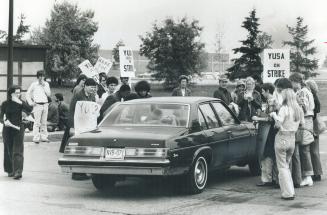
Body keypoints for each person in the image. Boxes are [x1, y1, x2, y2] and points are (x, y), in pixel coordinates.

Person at [59, 78, 97, 180]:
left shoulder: (93, 96)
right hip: (76, 125)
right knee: (76, 149)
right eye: (91, 87)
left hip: (86, 126)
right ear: (85, 86)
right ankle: (76, 173)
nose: (93, 89)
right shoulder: (78, 95)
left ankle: (82, 171)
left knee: (84, 149)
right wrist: (72, 127)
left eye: (94, 87)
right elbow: (71, 111)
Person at [270, 89, 304, 200]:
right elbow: (302, 124)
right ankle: (290, 190)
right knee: (286, 165)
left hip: (282, 137)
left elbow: (278, 124)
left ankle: (288, 192)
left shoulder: (284, 109)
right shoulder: (298, 109)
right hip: (292, 138)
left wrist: (274, 115)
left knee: (282, 167)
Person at [0, 85, 32, 179]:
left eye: (19, 92)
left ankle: (18, 171)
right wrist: (4, 121)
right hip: (7, 129)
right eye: (16, 93)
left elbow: (30, 109)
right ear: (11, 93)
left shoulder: (21, 103)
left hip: (19, 128)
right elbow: (1, 116)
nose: (18, 94)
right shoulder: (5, 103)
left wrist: (20, 103)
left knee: (17, 150)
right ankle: (10, 170)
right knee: (8, 150)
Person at [289, 72, 315, 187]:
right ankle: (307, 175)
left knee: (304, 151)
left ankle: (308, 176)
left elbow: (303, 107)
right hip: (308, 122)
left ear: (295, 81)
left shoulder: (302, 92)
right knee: (305, 150)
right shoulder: (306, 91)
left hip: (304, 122)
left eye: (291, 82)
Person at [255, 83, 278, 187]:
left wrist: (258, 118)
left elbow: (270, 118)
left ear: (268, 91)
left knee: (267, 154)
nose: (262, 93)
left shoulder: (271, 101)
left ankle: (267, 179)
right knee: (270, 154)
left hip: (269, 131)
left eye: (263, 91)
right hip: (272, 131)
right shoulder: (271, 101)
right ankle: (271, 177)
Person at [26, 70, 51, 143]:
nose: (41, 77)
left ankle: (44, 137)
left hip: (45, 104)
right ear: (38, 77)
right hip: (37, 105)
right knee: (37, 122)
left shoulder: (46, 84)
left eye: (43, 76)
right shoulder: (34, 84)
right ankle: (36, 137)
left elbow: (49, 94)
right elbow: (28, 93)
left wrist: (44, 86)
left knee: (44, 122)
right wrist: (31, 102)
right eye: (40, 76)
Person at [305, 79, 323, 182]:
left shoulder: (312, 98)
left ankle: (316, 173)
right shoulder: (315, 97)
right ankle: (317, 173)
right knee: (314, 150)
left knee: (313, 150)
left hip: (313, 125)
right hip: (315, 125)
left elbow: (313, 113)